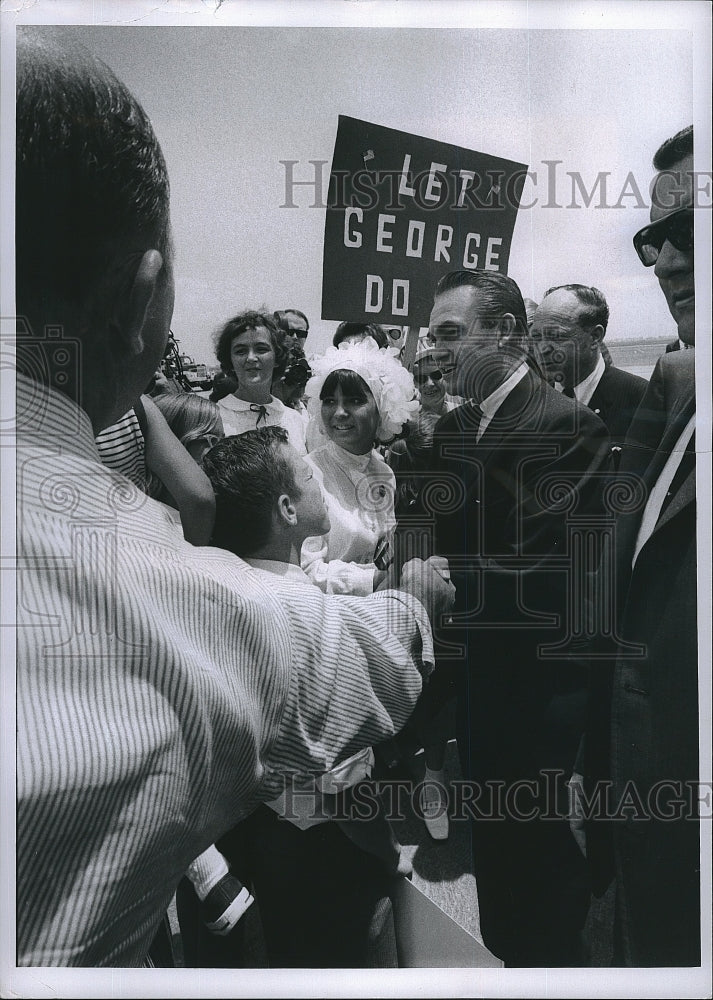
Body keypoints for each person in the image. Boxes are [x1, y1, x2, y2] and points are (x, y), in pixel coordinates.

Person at [14, 27, 453, 967]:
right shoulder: (169, 599)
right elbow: (306, 635)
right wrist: (413, 601)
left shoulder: (385, 465)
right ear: (144, 300)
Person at [425, 268, 612, 966]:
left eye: (450, 333)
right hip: (478, 697)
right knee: (501, 889)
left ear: (504, 333)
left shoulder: (568, 428)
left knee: (548, 894)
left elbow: (555, 576)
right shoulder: (450, 430)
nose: (435, 351)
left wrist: (439, 577)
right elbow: (438, 533)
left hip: (543, 711)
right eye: (432, 335)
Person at [579, 125, 699, 967]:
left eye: (692, 232)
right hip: (639, 831)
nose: (665, 263)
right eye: (653, 239)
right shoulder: (680, 382)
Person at [300, 337, 419, 595]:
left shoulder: (385, 472)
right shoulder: (307, 474)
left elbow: (384, 547)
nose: (339, 412)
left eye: (354, 400)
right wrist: (372, 580)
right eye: (330, 401)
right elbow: (305, 570)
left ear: (382, 408)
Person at [530, 284, 648, 463]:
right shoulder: (532, 401)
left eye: (556, 336)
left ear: (595, 337)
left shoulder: (639, 399)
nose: (542, 348)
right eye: (536, 337)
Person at [213, 310, 307, 453]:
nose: (251, 358)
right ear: (230, 360)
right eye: (240, 351)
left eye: (261, 349)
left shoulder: (294, 419)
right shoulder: (215, 419)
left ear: (277, 357)